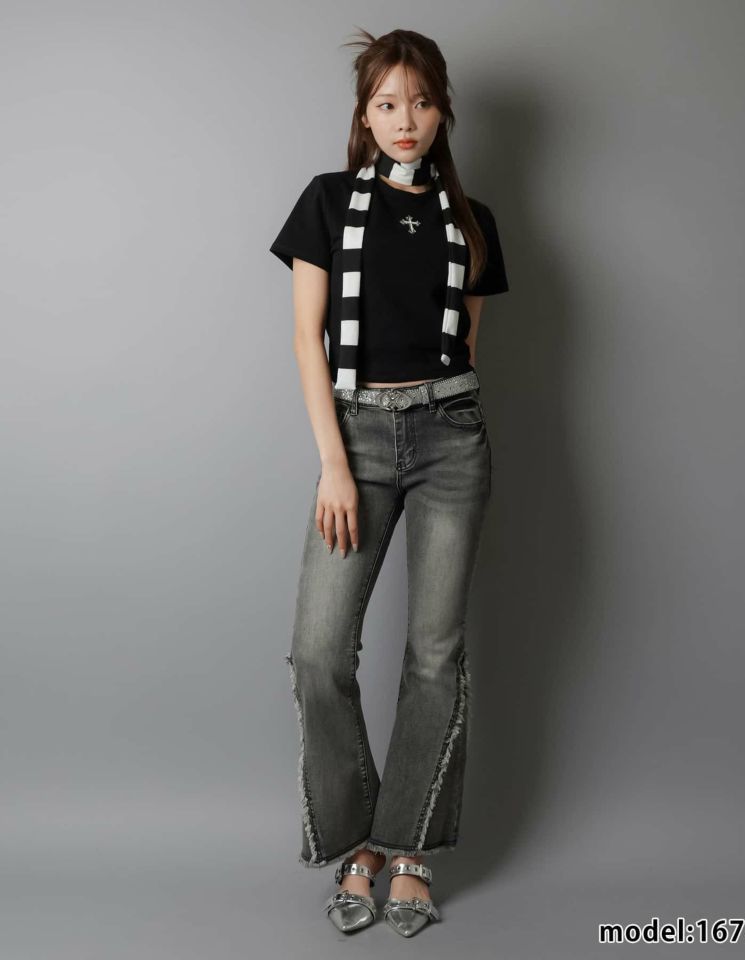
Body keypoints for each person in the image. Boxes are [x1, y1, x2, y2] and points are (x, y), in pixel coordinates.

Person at [269, 27, 509, 938]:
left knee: (434, 654)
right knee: (320, 653)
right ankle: (355, 842)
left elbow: (466, 345)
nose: (404, 118)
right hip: (357, 437)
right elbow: (308, 338)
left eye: (420, 101)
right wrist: (335, 461)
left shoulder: (473, 221)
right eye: (386, 103)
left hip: (452, 438)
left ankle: (406, 850)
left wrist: (443, 418)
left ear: (442, 110)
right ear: (364, 116)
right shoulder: (328, 202)